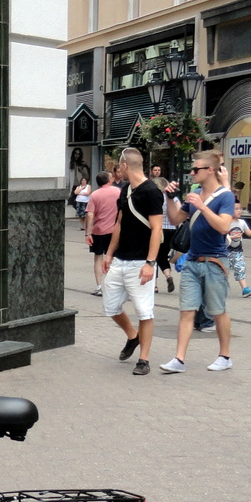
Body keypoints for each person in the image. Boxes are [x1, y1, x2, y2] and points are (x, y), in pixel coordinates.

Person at [159, 151, 237, 374]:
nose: (191, 173)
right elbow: (175, 219)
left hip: (215, 262)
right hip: (192, 260)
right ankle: (179, 359)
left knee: (217, 310)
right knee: (186, 311)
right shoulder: (194, 193)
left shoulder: (225, 196)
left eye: (196, 170)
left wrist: (202, 207)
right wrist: (169, 197)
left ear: (210, 170)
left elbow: (224, 227)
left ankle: (225, 356)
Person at [101, 147, 163, 375]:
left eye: (118, 166)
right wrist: (109, 253)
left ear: (125, 166)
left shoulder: (152, 191)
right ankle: (132, 336)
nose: (118, 170)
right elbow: (119, 223)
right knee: (111, 306)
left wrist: (150, 262)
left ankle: (144, 360)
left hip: (140, 262)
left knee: (144, 312)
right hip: (120, 260)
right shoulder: (125, 189)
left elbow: (157, 228)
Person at [86, 170, 120, 296]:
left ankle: (99, 286)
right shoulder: (118, 192)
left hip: (99, 231)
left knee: (98, 258)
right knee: (115, 259)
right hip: (115, 231)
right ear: (109, 180)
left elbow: (90, 215)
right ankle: (114, 287)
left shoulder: (94, 195)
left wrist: (87, 233)